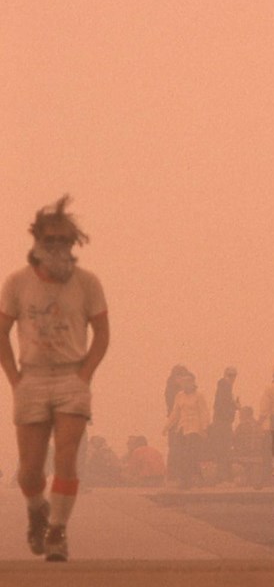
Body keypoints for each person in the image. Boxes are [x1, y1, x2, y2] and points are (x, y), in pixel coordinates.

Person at [0, 195, 109, 561]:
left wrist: (84, 375)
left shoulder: (87, 283)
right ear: (37, 242)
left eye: (65, 241)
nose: (58, 248)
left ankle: (58, 531)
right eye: (51, 241)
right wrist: (14, 377)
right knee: (29, 470)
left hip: (70, 378)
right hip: (31, 377)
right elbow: (2, 331)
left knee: (66, 456)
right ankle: (37, 511)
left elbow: (102, 333)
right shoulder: (16, 283)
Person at [163, 370, 209, 489]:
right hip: (182, 428)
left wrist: (204, 428)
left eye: (187, 383)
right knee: (180, 454)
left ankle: (187, 481)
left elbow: (204, 413)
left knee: (190, 455)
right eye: (183, 384)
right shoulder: (179, 396)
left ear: (193, 383)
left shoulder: (199, 396)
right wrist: (167, 427)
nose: (185, 386)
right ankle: (186, 479)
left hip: (194, 429)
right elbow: (175, 413)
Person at [209, 366, 240, 483]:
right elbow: (223, 407)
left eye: (234, 375)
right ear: (225, 375)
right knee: (223, 450)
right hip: (223, 423)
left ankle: (223, 476)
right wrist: (234, 407)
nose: (232, 378)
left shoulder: (224, 387)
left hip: (221, 422)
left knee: (222, 450)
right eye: (230, 375)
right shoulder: (225, 387)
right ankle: (223, 476)